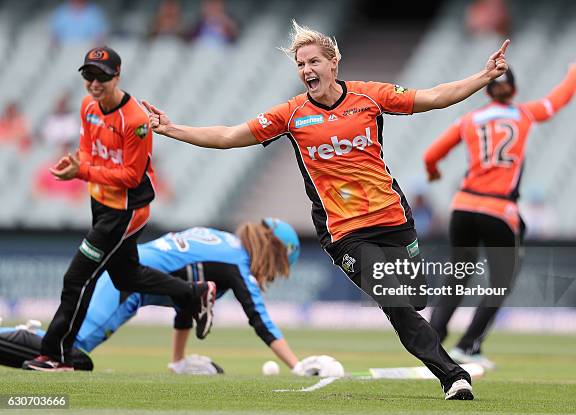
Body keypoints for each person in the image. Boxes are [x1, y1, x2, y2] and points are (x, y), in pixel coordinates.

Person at [143, 21, 512, 400]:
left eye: (313, 61)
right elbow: (228, 136)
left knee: (416, 296)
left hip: (392, 218)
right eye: (300, 64)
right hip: (345, 232)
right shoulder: (291, 114)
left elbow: (434, 97)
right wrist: (172, 129)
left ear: (334, 63)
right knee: (397, 304)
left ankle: (440, 351)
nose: (306, 70)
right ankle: (453, 376)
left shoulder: (370, 97)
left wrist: (484, 76)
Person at [22, 46, 214, 372]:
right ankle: (193, 293)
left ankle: (57, 355)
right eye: (88, 75)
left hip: (127, 210)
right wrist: (76, 162)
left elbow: (130, 176)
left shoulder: (135, 120)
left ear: (117, 76)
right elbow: (87, 152)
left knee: (76, 278)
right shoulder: (87, 106)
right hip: (101, 203)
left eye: (102, 76)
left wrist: (81, 171)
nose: (94, 83)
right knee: (127, 275)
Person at [423, 52, 576, 369]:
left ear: (487, 91)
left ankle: (430, 340)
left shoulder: (468, 120)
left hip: (464, 205)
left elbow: (431, 155)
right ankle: (468, 346)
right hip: (499, 209)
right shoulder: (524, 114)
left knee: (458, 276)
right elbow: (558, 100)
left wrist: (433, 173)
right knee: (501, 281)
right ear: (514, 90)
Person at [4, 219, 302, 374]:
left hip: (127, 273)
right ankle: (14, 335)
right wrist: (297, 366)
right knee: (72, 354)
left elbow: (187, 301)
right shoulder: (235, 262)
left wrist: (178, 361)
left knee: (68, 353)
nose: (275, 273)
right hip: (126, 284)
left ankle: (20, 336)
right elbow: (259, 319)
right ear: (275, 252)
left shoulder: (222, 242)